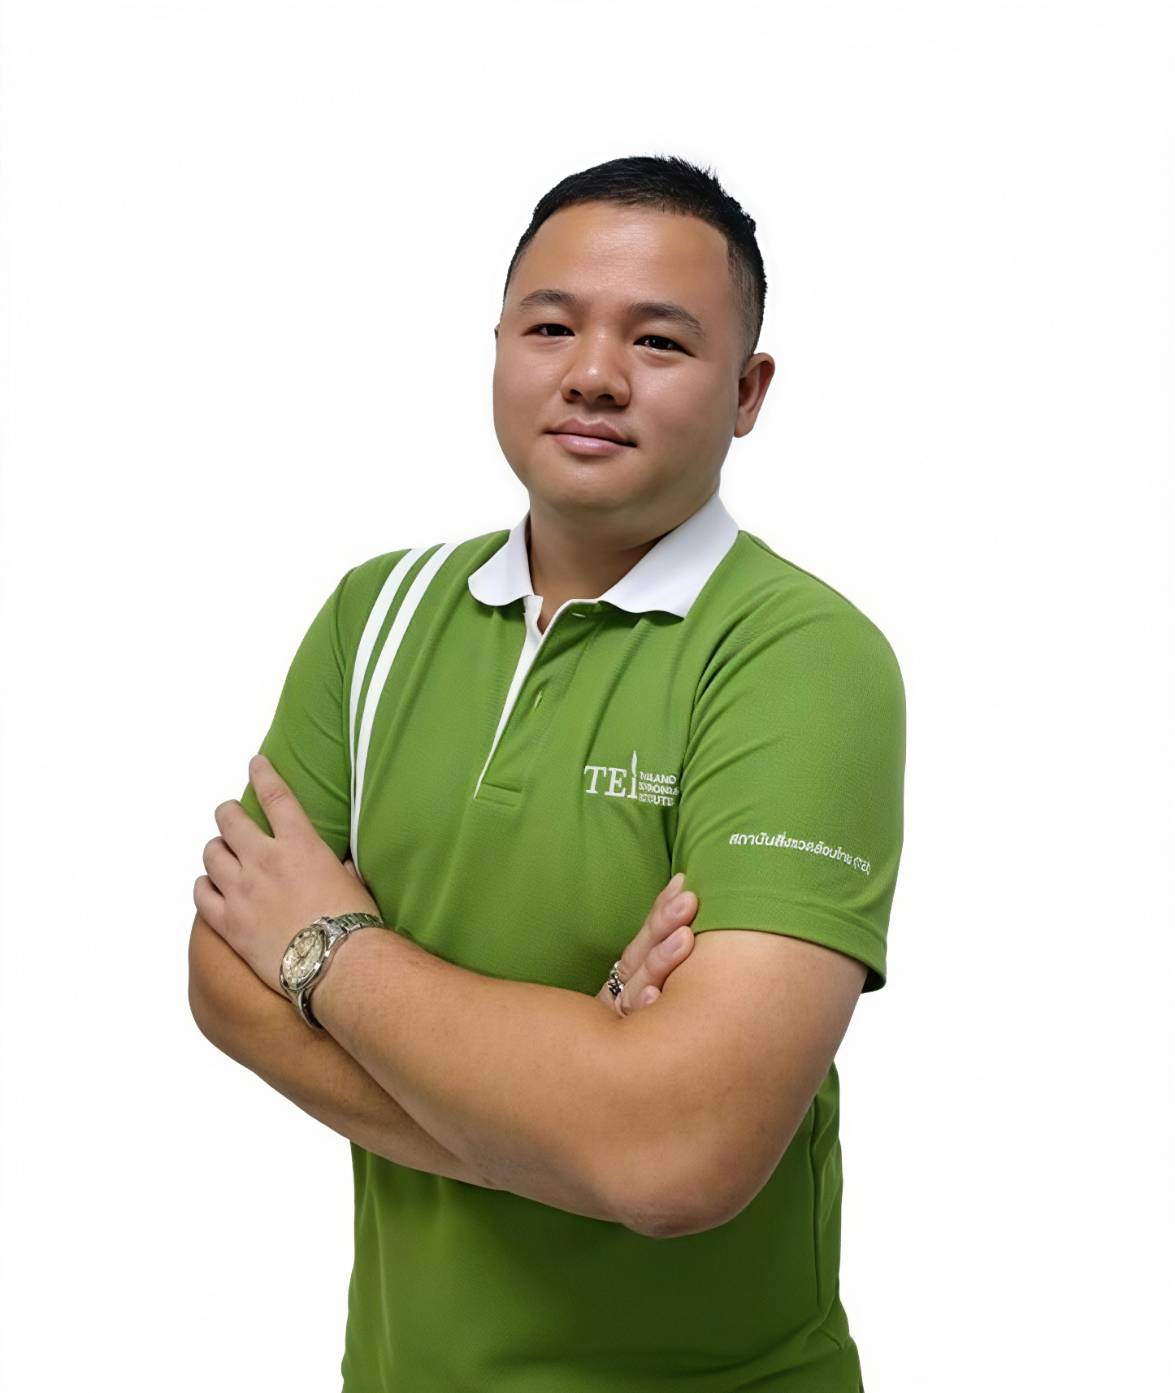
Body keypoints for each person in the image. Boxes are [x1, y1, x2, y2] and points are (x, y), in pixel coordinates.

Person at [188, 153, 906, 1392]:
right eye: (550, 326)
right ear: (498, 348)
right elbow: (220, 980)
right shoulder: (376, 615)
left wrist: (329, 948)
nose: (592, 373)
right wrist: (582, 1114)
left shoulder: (799, 657)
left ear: (746, 391)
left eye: (659, 341)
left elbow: (681, 1155)